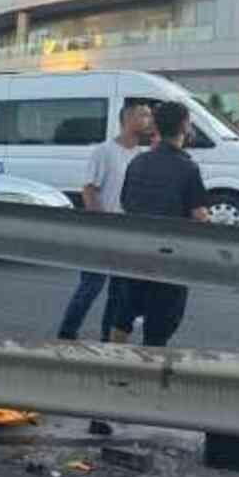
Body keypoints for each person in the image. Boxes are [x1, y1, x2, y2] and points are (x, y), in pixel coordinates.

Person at [116, 101, 209, 347]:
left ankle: (114, 365)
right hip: (169, 257)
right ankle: (147, 373)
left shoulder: (138, 162)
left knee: (124, 314)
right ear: (185, 126)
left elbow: (125, 201)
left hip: (135, 251)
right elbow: (199, 215)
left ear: (156, 126)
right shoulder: (187, 167)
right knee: (159, 325)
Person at [56, 103, 152, 341]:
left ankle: (106, 340)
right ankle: (66, 335)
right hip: (102, 231)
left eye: (149, 115)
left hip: (127, 235)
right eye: (144, 114)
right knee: (90, 287)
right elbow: (89, 190)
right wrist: (101, 225)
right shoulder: (105, 151)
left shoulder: (141, 156)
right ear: (127, 118)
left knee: (118, 293)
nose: (149, 120)